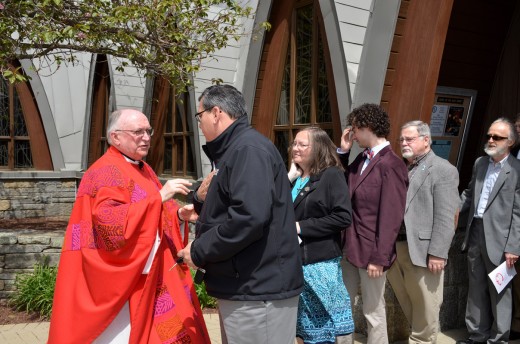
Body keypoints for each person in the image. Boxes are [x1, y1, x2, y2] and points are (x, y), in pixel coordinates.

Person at [48, 109, 210, 344]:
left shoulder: (143, 168)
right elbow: (109, 226)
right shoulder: (104, 172)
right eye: (137, 132)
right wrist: (159, 197)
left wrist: (178, 214)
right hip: (121, 284)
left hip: (151, 274)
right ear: (115, 137)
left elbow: (154, 210)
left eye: (148, 131)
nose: (146, 137)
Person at [177, 84, 303, 344]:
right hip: (247, 285)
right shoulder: (237, 149)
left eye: (199, 116)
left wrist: (199, 250)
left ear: (216, 113)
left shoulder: (247, 150)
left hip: (257, 290)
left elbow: (248, 218)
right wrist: (200, 203)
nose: (199, 125)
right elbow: (235, 206)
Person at [338, 103, 408, 344]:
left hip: (372, 253)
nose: (352, 135)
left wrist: (380, 257)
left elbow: (391, 218)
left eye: (354, 130)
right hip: (348, 246)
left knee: (373, 311)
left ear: (367, 126)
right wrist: (343, 152)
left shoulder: (392, 165)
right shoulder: (359, 160)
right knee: (342, 306)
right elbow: (340, 185)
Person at [387, 120, 459, 344]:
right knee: (410, 303)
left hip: (424, 251)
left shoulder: (443, 169)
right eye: (401, 139)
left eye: (409, 139)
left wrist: (438, 252)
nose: (404, 143)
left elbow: (447, 216)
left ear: (426, 140)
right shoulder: (402, 167)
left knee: (426, 306)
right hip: (397, 247)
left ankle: (422, 342)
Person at [457, 118, 520, 344]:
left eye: (497, 137)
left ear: (510, 142)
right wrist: (452, 213)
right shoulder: (480, 163)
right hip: (475, 232)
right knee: (475, 288)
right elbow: (469, 193)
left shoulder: (517, 170)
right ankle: (477, 336)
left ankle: (499, 339)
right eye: (489, 136)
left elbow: (518, 213)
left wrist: (513, 247)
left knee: (500, 291)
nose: (491, 140)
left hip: (502, 241)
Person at [289, 127, 354, 344]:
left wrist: (300, 227)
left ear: (317, 147)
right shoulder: (294, 177)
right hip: (294, 261)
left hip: (319, 263)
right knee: (303, 329)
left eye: (301, 144)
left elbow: (343, 217)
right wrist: (288, 179)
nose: (295, 148)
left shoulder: (332, 175)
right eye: (294, 143)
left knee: (324, 328)